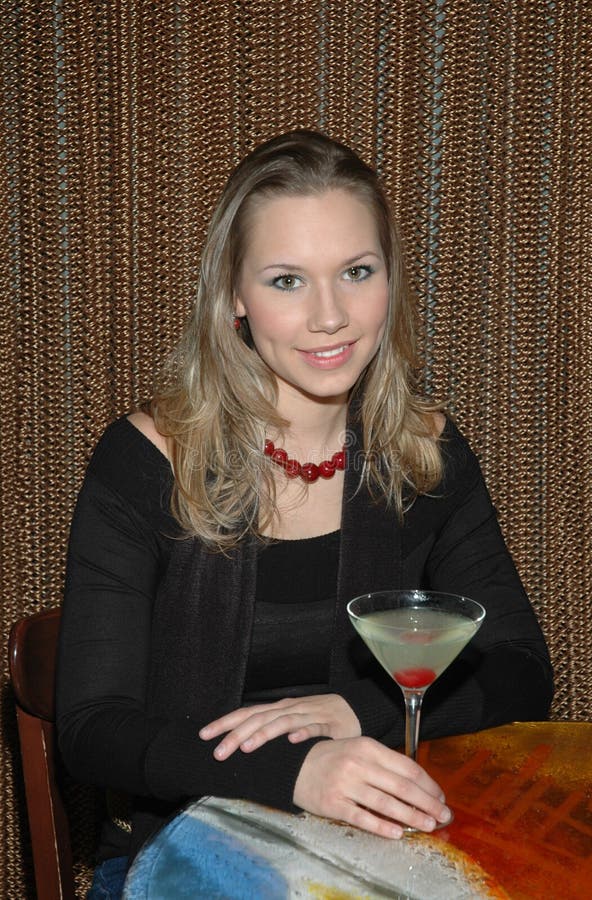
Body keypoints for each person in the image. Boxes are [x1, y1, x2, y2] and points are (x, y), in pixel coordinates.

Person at [56, 130, 553, 898]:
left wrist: (359, 713)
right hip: (179, 847)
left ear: (390, 279)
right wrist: (298, 768)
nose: (330, 317)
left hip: (379, 840)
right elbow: (94, 730)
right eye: (287, 281)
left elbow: (521, 669)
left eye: (356, 272)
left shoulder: (426, 452)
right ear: (233, 299)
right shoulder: (144, 461)